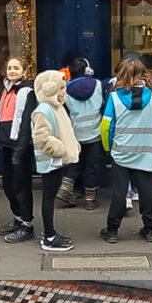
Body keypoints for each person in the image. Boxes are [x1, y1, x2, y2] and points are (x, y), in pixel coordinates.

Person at [99, 58, 152, 244]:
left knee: (120, 192)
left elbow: (106, 126)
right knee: (147, 190)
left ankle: (112, 230)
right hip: (147, 152)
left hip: (122, 151)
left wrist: (108, 148)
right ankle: (149, 229)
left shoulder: (115, 98)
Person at [32, 70, 80, 251]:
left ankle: (50, 234)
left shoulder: (55, 106)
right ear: (50, 89)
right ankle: (49, 236)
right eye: (61, 88)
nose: (63, 92)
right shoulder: (44, 110)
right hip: (50, 161)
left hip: (55, 160)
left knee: (50, 197)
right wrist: (61, 149)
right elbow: (41, 138)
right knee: (49, 197)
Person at [0, 56, 37, 243]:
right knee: (8, 184)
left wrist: (21, 148)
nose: (12, 71)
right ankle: (18, 218)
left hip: (20, 145)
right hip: (6, 143)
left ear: (25, 72)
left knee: (21, 186)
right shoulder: (6, 89)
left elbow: (26, 122)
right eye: (9, 67)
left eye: (16, 68)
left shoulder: (27, 91)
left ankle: (27, 225)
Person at [61, 57, 104, 211]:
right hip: (94, 132)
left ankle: (66, 188)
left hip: (76, 133)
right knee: (92, 166)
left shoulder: (65, 89)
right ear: (88, 71)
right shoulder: (98, 85)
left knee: (76, 162)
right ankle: (90, 199)